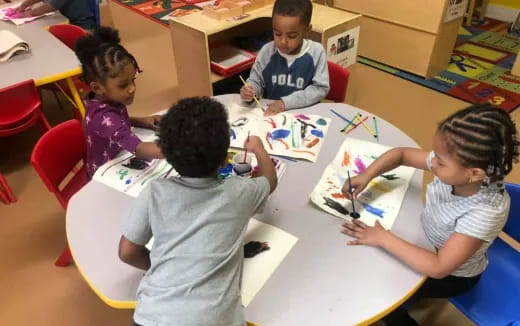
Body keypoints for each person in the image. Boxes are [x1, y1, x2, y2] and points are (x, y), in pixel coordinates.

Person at [341, 103, 519, 325]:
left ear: (474, 174)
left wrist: (383, 238)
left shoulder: (485, 211)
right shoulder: (458, 169)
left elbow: (439, 267)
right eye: (434, 155)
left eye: (440, 161)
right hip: (426, 240)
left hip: (452, 276)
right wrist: (367, 175)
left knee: (381, 295)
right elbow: (401, 154)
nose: (432, 162)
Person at [118, 97, 278, 326]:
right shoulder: (239, 192)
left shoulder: (154, 192)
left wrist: (162, 267)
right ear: (225, 158)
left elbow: (127, 252)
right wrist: (259, 149)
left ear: (166, 155)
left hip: (152, 318)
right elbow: (269, 181)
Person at [75, 27, 163, 179]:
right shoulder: (101, 117)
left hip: (118, 157)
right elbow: (139, 149)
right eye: (123, 85)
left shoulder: (105, 98)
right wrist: (181, 150)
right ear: (97, 87)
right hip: (104, 177)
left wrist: (141, 120)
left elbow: (115, 122)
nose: (132, 88)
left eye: (133, 80)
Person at [240, 0, 329, 115]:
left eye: (292, 36)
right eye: (277, 34)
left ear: (307, 30)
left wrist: (285, 103)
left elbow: (320, 89)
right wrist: (250, 91)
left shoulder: (316, 52)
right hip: (270, 115)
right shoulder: (267, 51)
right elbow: (256, 81)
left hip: (303, 116)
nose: (283, 41)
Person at [16, 0, 96, 30]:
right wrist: (24, 5)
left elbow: (51, 6)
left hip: (82, 25)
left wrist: (29, 13)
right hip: (67, 20)